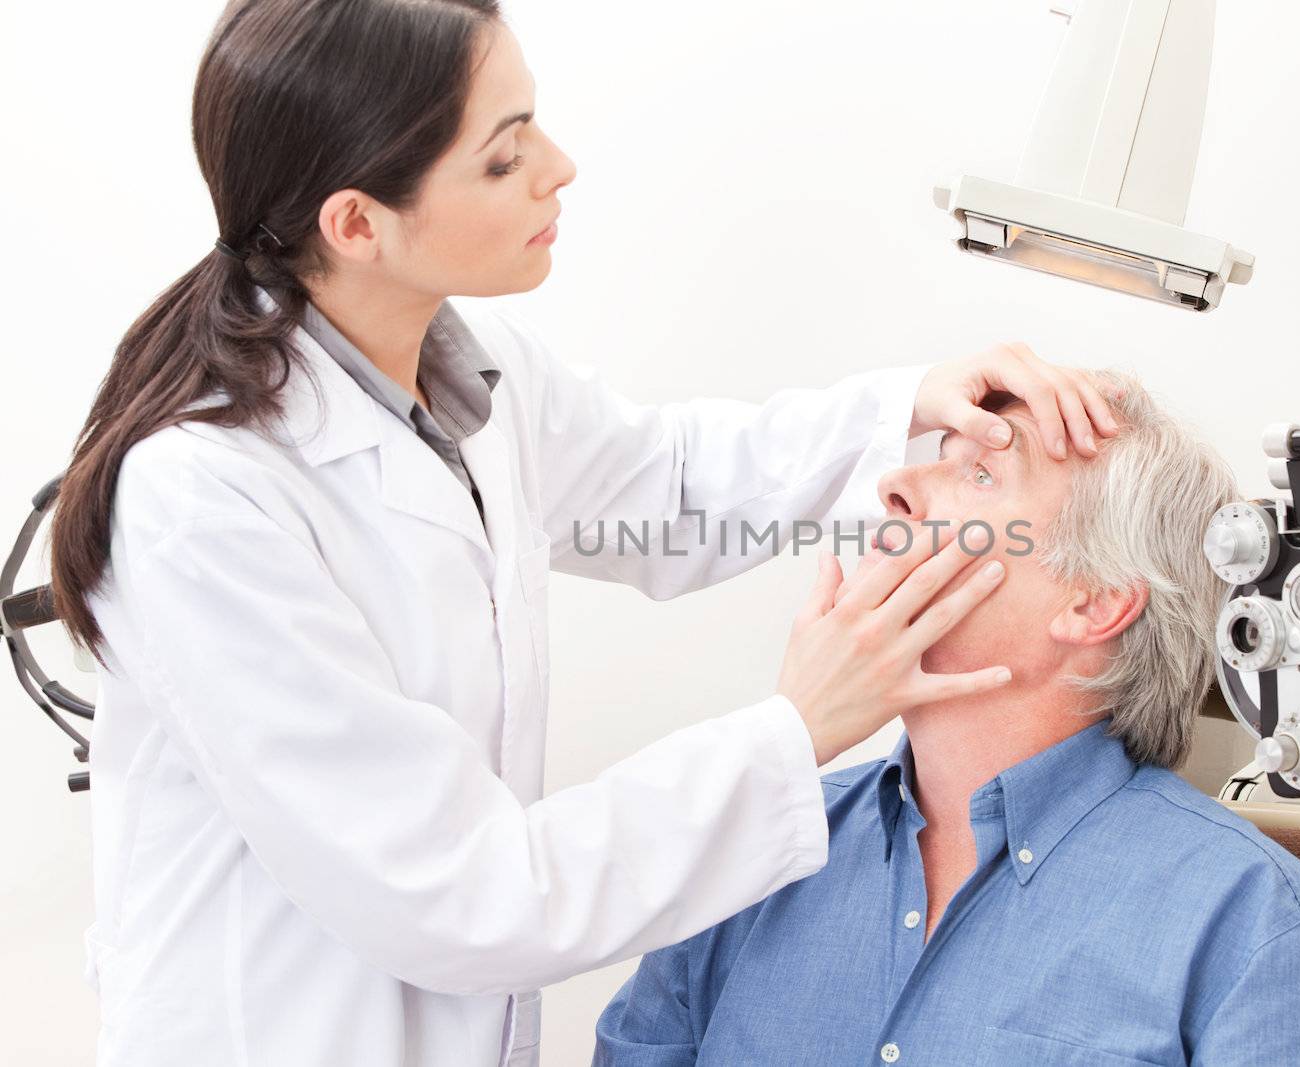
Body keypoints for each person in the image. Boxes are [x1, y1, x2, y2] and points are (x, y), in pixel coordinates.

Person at [50, 3, 1120, 1065]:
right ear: (357, 223)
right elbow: (463, 892)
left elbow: (669, 486)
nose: (559, 168)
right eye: (505, 157)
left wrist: (906, 406)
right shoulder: (206, 499)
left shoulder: (476, 381)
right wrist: (796, 727)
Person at [594, 376, 1300, 1066]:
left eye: (980, 474)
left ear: (1095, 601)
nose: (895, 486)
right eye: (937, 460)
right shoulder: (750, 855)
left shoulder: (1264, 935)